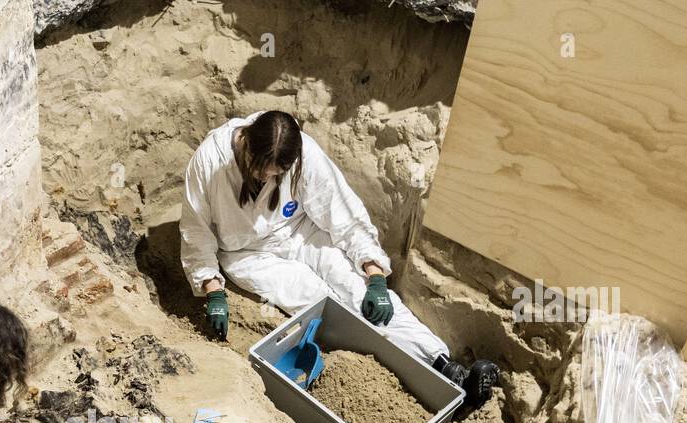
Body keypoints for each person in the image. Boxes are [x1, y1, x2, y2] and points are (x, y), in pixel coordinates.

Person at [180, 110, 498, 406]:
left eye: (275, 173)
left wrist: (373, 275)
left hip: (300, 231)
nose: (265, 177)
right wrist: (213, 290)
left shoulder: (303, 154)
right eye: (260, 169)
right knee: (320, 303)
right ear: (246, 141)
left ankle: (446, 368)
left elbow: (344, 215)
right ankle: (426, 390)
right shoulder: (209, 161)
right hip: (248, 254)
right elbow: (196, 232)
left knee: (362, 295)